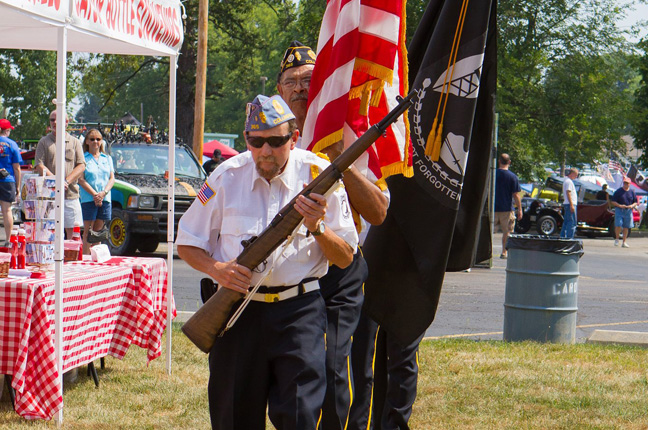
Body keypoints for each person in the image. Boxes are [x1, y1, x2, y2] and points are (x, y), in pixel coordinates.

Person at [176, 94, 358, 430]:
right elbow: (187, 242)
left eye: (276, 141)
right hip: (237, 314)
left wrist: (317, 228)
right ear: (246, 138)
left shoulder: (319, 175)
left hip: (299, 311)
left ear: (295, 137)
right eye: (256, 141)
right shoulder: (225, 177)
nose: (265, 150)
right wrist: (218, 270)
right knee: (234, 416)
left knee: (301, 416)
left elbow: (346, 256)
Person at [277, 41, 390, 430]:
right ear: (278, 90)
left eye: (308, 79)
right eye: (289, 81)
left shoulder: (350, 133)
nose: (298, 88)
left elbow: (377, 211)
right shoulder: (270, 139)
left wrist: (340, 156)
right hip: (288, 269)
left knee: (332, 365)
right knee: (293, 366)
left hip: (338, 265)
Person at [34, 111, 85, 238]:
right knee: (48, 233)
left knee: (73, 233)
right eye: (52, 120)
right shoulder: (43, 142)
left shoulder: (75, 142)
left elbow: (81, 165)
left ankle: (70, 258)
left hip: (70, 194)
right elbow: (39, 165)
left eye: (59, 119)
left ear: (67, 122)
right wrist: (56, 181)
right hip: (49, 196)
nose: (55, 122)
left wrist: (65, 182)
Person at [78, 129, 114, 254]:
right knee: (88, 230)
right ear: (87, 141)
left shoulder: (107, 158)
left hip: (104, 198)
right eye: (92, 139)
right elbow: (81, 179)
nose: (95, 141)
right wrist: (95, 194)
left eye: (98, 139)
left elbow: (112, 178)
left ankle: (96, 257)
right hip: (89, 198)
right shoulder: (83, 158)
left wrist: (103, 193)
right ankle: (86, 257)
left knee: (99, 231)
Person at [493, 153, 522, 258]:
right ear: (509, 162)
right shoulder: (512, 177)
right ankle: (504, 252)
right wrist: (520, 209)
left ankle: (486, 253)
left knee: (489, 232)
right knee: (507, 232)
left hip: (493, 208)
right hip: (507, 209)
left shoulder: (493, 174)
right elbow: (516, 195)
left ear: (499, 161)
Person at [0, 119, 23, 241]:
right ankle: (8, 240)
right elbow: (17, 167)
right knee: (7, 209)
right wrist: (18, 186)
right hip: (7, 180)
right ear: (7, 130)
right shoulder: (12, 144)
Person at [611, 177, 637, 248]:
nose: (626, 184)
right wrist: (619, 205)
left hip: (628, 210)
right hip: (619, 209)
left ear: (630, 184)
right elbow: (613, 201)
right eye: (625, 183)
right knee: (618, 224)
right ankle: (617, 239)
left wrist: (632, 206)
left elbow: (635, 202)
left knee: (626, 226)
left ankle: (624, 242)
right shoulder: (618, 191)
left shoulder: (632, 192)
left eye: (627, 183)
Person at [559, 167, 579, 239]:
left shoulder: (567, 181)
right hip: (570, 204)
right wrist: (571, 205)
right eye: (576, 175)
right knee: (572, 222)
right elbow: (568, 193)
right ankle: (569, 238)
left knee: (566, 222)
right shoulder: (569, 182)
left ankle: (563, 237)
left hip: (568, 204)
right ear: (572, 173)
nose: (576, 177)